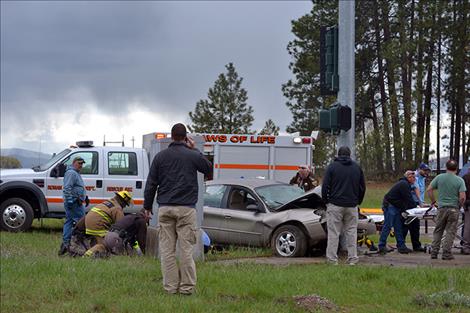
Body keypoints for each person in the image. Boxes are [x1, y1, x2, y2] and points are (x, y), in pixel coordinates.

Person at [144, 123, 212, 295]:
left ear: (172, 137)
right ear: (185, 137)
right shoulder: (192, 155)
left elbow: (151, 183)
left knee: (167, 252)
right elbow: (208, 169)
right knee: (186, 251)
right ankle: (186, 288)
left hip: (165, 208)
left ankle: (170, 288)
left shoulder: (160, 157)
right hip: (186, 209)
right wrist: (196, 150)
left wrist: (147, 206)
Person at [321, 146, 365, 265]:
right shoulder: (356, 168)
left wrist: (326, 201)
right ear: (349, 154)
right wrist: (358, 201)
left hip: (335, 204)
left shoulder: (332, 167)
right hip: (352, 205)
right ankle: (353, 259)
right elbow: (362, 187)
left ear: (338, 154)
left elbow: (325, 186)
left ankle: (332, 260)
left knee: (334, 233)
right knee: (351, 232)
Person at [426, 159, 466, 260]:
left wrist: (434, 202)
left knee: (438, 230)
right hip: (453, 208)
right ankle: (446, 253)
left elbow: (429, 189)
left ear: (446, 167)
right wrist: (459, 205)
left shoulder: (439, 177)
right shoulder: (459, 180)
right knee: (450, 231)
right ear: (456, 169)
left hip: (441, 208)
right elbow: (462, 197)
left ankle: (434, 252)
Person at [83, 191, 132, 257]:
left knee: (98, 240)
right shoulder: (117, 208)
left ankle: (94, 253)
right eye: (125, 204)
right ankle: (87, 255)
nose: (125, 206)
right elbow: (121, 225)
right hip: (97, 225)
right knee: (105, 244)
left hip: (89, 223)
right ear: (122, 201)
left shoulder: (109, 202)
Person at [378, 171, 415, 255]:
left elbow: (406, 200)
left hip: (395, 206)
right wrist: (416, 208)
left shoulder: (406, 184)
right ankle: (381, 245)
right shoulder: (404, 185)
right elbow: (408, 198)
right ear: (408, 177)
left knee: (398, 226)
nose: (413, 178)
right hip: (390, 205)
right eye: (412, 177)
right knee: (388, 225)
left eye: (414, 177)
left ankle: (401, 246)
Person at [58, 156, 87, 256]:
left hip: (76, 201)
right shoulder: (71, 173)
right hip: (74, 202)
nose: (81, 165)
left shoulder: (76, 173)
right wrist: (70, 201)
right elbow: (67, 188)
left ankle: (66, 244)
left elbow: (79, 187)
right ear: (74, 163)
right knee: (81, 223)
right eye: (79, 163)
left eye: (82, 164)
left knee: (69, 222)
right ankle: (76, 245)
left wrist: (85, 197)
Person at [462, 168, 470, 255]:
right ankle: (466, 246)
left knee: (467, 226)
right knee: (467, 227)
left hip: (467, 204)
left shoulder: (465, 177)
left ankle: (465, 246)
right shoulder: (466, 177)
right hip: (468, 203)